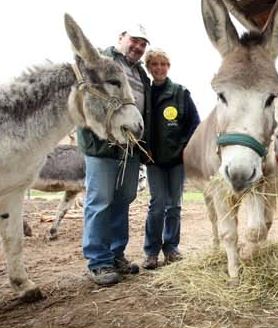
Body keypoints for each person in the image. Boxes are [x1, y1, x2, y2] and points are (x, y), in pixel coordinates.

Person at [77, 24, 151, 285]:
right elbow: (83, 99)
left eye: (144, 43)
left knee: (123, 199)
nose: (139, 47)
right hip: (103, 145)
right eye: (135, 40)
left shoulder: (141, 73)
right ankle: (98, 261)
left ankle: (116, 254)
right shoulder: (98, 61)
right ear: (121, 38)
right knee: (101, 200)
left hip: (130, 146)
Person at [141, 48, 200, 270]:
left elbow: (194, 123)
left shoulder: (181, 93)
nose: (159, 68)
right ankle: (151, 251)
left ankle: (171, 247)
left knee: (174, 205)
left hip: (176, 161)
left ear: (169, 67)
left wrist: (183, 148)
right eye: (154, 64)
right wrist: (144, 150)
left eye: (163, 64)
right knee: (157, 205)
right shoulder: (144, 94)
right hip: (153, 160)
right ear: (148, 68)